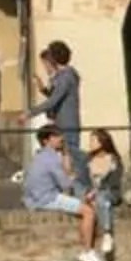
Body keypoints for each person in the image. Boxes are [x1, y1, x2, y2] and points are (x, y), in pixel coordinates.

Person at [20, 125, 112, 261]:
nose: (60, 139)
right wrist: (71, 171)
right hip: (46, 198)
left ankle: (88, 250)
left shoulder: (40, 156)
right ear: (46, 141)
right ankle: (88, 251)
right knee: (88, 212)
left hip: (33, 198)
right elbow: (65, 184)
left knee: (81, 201)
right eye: (56, 137)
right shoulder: (51, 158)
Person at [37, 40, 85, 183]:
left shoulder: (66, 76)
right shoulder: (61, 77)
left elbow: (54, 100)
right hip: (61, 123)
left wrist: (30, 113)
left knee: (72, 156)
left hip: (67, 124)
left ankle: (79, 187)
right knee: (64, 156)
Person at [81, 126, 124, 261]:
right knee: (102, 204)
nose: (90, 144)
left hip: (110, 192)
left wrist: (97, 191)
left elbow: (114, 183)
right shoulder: (87, 160)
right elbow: (83, 180)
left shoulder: (113, 160)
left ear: (102, 142)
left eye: (93, 140)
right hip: (94, 196)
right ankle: (107, 234)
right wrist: (88, 192)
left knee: (103, 198)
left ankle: (107, 234)